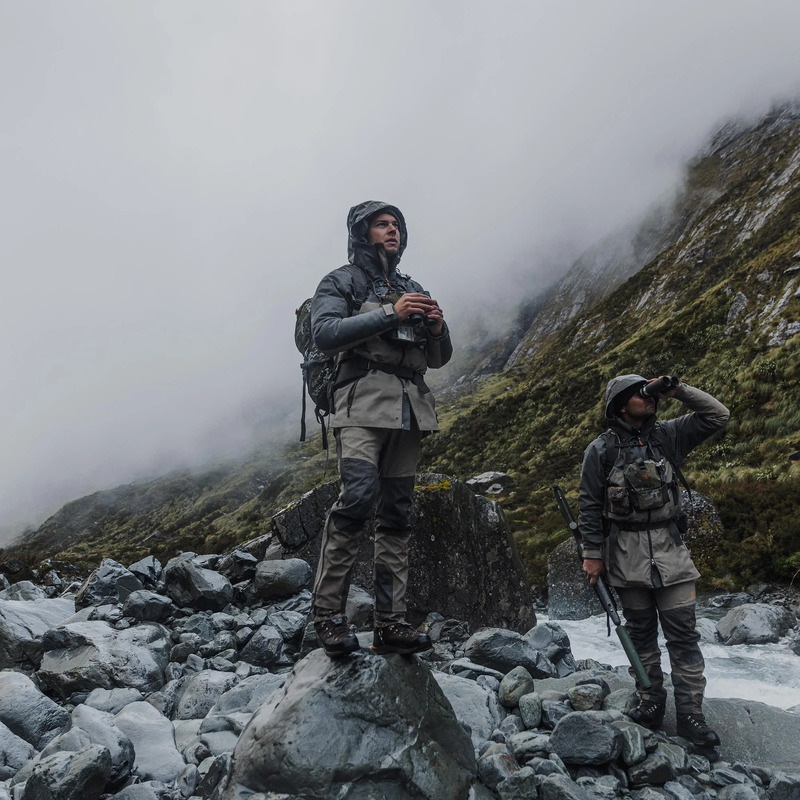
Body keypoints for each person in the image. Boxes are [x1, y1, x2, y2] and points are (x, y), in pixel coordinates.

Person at [309, 201, 452, 658]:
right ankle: (328, 617)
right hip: (361, 406)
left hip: (410, 410)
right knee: (357, 500)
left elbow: (438, 359)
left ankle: (391, 623)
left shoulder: (412, 287)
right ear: (362, 233)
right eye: (382, 224)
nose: (393, 231)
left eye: (397, 225)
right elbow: (325, 333)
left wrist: (437, 328)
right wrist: (393, 313)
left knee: (397, 514)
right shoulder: (341, 281)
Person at [578, 374, 730, 748]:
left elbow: (718, 416)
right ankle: (651, 701)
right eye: (637, 394)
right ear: (619, 405)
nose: (647, 398)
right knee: (642, 634)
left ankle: (691, 716)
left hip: (671, 553)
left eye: (648, 393)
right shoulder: (600, 450)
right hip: (625, 556)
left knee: (684, 636)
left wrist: (680, 391)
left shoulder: (668, 435)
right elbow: (589, 506)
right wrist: (592, 555)